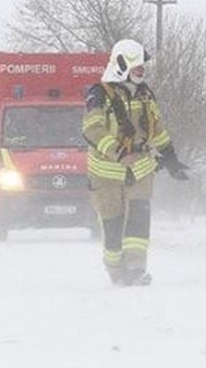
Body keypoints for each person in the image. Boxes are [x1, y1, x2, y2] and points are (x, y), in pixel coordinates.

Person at [81, 39, 190, 286]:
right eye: (137, 67)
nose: (142, 71)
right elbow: (92, 129)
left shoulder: (145, 93)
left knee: (140, 215)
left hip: (140, 168)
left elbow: (157, 128)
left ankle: (136, 267)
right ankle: (116, 269)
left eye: (143, 67)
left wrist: (170, 157)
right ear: (121, 65)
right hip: (106, 173)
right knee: (113, 224)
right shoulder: (99, 94)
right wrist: (118, 153)